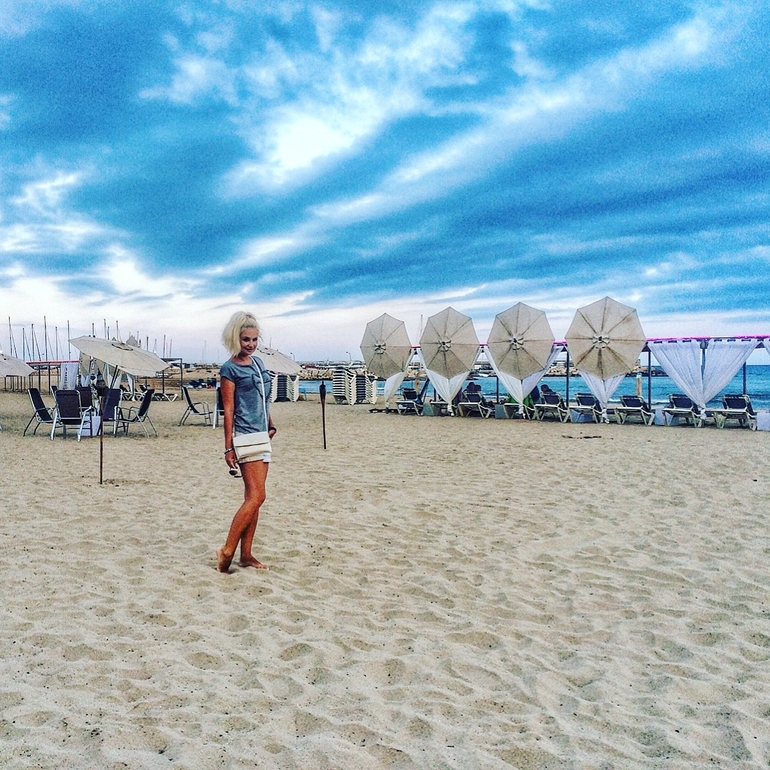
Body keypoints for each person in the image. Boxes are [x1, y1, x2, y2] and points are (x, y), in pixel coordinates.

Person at [217, 311, 277, 573]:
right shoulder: (229, 369)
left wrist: (270, 423)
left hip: (262, 435)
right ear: (235, 339)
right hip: (245, 435)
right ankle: (227, 550)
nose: (251, 344)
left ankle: (246, 555)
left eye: (254, 339)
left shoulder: (258, 363)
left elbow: (263, 398)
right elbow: (228, 409)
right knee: (257, 496)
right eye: (245, 340)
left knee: (254, 498)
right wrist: (228, 447)